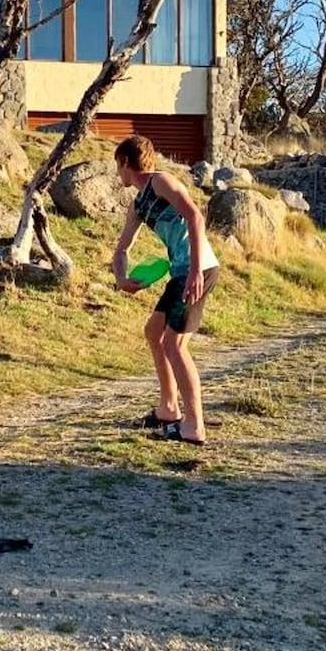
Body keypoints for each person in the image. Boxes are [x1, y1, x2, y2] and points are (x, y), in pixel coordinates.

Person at [111, 134, 220, 446]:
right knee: (154, 332)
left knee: (174, 345)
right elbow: (121, 250)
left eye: (117, 166)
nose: (117, 173)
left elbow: (195, 216)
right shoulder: (139, 203)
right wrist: (122, 279)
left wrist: (196, 270)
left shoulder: (161, 182)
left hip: (200, 270)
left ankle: (194, 427)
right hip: (180, 272)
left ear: (124, 162)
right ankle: (168, 410)